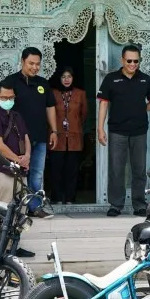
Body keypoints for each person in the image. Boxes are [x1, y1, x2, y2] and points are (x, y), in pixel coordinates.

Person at [97, 44, 150, 217]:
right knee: (116, 169)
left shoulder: (145, 79)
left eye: (136, 61)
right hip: (117, 131)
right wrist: (99, 128)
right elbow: (103, 103)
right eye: (129, 60)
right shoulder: (111, 79)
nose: (133, 64)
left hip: (139, 131)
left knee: (139, 169)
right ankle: (116, 205)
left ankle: (139, 204)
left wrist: (141, 109)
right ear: (122, 60)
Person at [0, 47, 57, 219]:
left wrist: (54, 130)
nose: (34, 67)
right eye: (31, 63)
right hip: (17, 139)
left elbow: (50, 107)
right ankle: (16, 208)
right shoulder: (10, 82)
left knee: (37, 173)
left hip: (39, 136)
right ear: (22, 61)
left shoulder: (43, 83)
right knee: (17, 173)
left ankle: (35, 207)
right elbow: (3, 108)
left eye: (37, 64)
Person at [0, 80, 35, 258]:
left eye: (11, 97)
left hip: (20, 172)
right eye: (4, 97)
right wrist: (18, 159)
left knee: (20, 212)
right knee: (2, 213)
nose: (8, 99)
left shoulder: (17, 116)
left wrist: (27, 156)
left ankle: (14, 246)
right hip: (3, 171)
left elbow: (26, 137)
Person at [49, 67, 88, 204]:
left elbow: (84, 114)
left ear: (73, 78)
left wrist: (74, 124)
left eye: (69, 76)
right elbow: (49, 113)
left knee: (72, 171)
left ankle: (70, 198)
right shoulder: (53, 93)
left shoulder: (80, 93)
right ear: (59, 78)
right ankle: (57, 198)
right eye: (63, 76)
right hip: (56, 137)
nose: (66, 79)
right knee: (56, 169)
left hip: (74, 137)